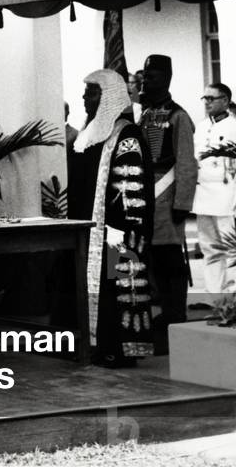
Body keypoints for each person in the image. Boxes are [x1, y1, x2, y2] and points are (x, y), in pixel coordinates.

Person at [67, 69, 155, 368]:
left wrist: (118, 233)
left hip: (117, 232)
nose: (84, 97)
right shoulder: (89, 133)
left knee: (116, 286)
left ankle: (115, 349)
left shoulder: (127, 135)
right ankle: (89, 345)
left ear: (108, 96)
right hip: (87, 229)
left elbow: (131, 189)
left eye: (91, 92)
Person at [137, 54, 197, 354]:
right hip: (144, 197)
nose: (148, 80)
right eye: (146, 75)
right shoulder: (142, 112)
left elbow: (186, 160)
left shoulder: (178, 116)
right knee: (150, 263)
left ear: (167, 78)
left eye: (154, 76)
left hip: (166, 199)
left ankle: (177, 319)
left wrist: (183, 202)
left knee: (170, 263)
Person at [192, 83, 236, 298]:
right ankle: (214, 297)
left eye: (213, 98)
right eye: (205, 98)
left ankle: (235, 297)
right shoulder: (201, 127)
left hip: (227, 195)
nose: (208, 102)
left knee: (232, 250)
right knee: (210, 248)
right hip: (204, 196)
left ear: (226, 101)